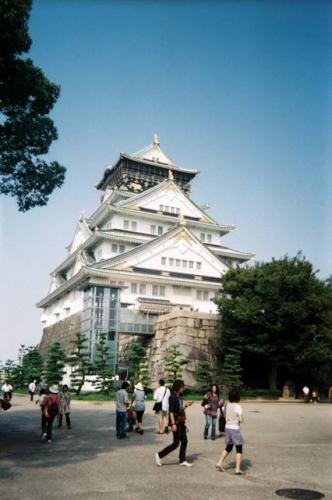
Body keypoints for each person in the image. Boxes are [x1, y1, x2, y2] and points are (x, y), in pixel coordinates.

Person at [155, 379, 193, 467]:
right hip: (176, 422)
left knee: (184, 441)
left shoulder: (179, 397)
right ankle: (159, 455)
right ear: (178, 387)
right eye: (182, 387)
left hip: (181, 422)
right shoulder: (172, 397)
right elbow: (171, 411)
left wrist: (186, 405)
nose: (183, 388)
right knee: (176, 443)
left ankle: (182, 460)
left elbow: (179, 409)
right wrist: (172, 424)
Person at [216, 388, 245, 475]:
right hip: (235, 429)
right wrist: (240, 419)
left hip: (227, 428)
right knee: (239, 449)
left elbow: (225, 416)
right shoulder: (238, 406)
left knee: (229, 447)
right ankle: (237, 469)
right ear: (237, 397)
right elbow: (241, 419)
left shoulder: (227, 405)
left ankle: (220, 462)